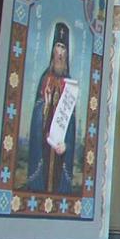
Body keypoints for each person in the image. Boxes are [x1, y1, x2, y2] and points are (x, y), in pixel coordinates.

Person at [25, 22, 77, 194]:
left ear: (67, 53)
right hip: (45, 137)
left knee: (57, 174)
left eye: (63, 48)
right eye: (58, 47)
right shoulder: (45, 78)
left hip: (60, 142)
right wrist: (45, 105)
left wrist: (66, 144)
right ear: (53, 49)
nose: (60, 52)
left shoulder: (69, 83)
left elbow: (71, 120)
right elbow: (38, 110)